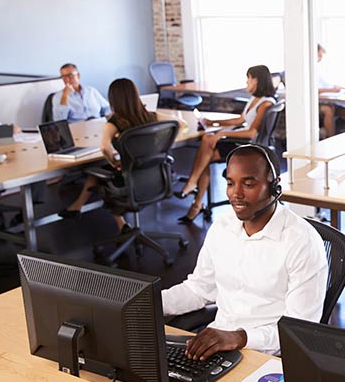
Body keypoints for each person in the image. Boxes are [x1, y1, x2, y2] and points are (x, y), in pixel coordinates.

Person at [162, 144, 328, 358]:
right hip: (216, 347)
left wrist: (239, 337)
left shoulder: (301, 242)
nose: (236, 194)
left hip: (270, 355)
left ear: (274, 187)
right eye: (230, 183)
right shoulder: (222, 227)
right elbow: (199, 289)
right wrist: (151, 301)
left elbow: (298, 331)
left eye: (248, 184)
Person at [58, 78, 185, 231]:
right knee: (100, 172)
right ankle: (80, 208)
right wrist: (162, 145)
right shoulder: (151, 115)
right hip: (156, 175)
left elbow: (104, 148)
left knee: (101, 173)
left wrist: (113, 162)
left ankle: (117, 222)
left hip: (130, 179)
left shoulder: (114, 122)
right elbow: (180, 124)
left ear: (113, 99)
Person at [174, 65, 277, 224]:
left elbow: (251, 132)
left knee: (207, 144)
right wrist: (214, 122)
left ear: (256, 80)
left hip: (249, 147)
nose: (247, 82)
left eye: (248, 79)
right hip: (242, 142)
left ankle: (194, 192)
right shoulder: (254, 99)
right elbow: (239, 120)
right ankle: (195, 201)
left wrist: (222, 133)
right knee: (207, 147)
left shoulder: (266, 103)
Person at [317, 44, 345, 137]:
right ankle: (329, 137)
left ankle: (334, 133)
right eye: (319, 55)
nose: (320, 58)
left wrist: (335, 87)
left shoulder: (317, 69)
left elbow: (325, 83)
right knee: (328, 110)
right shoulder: (306, 70)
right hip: (312, 104)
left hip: (324, 100)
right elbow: (314, 90)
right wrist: (332, 90)